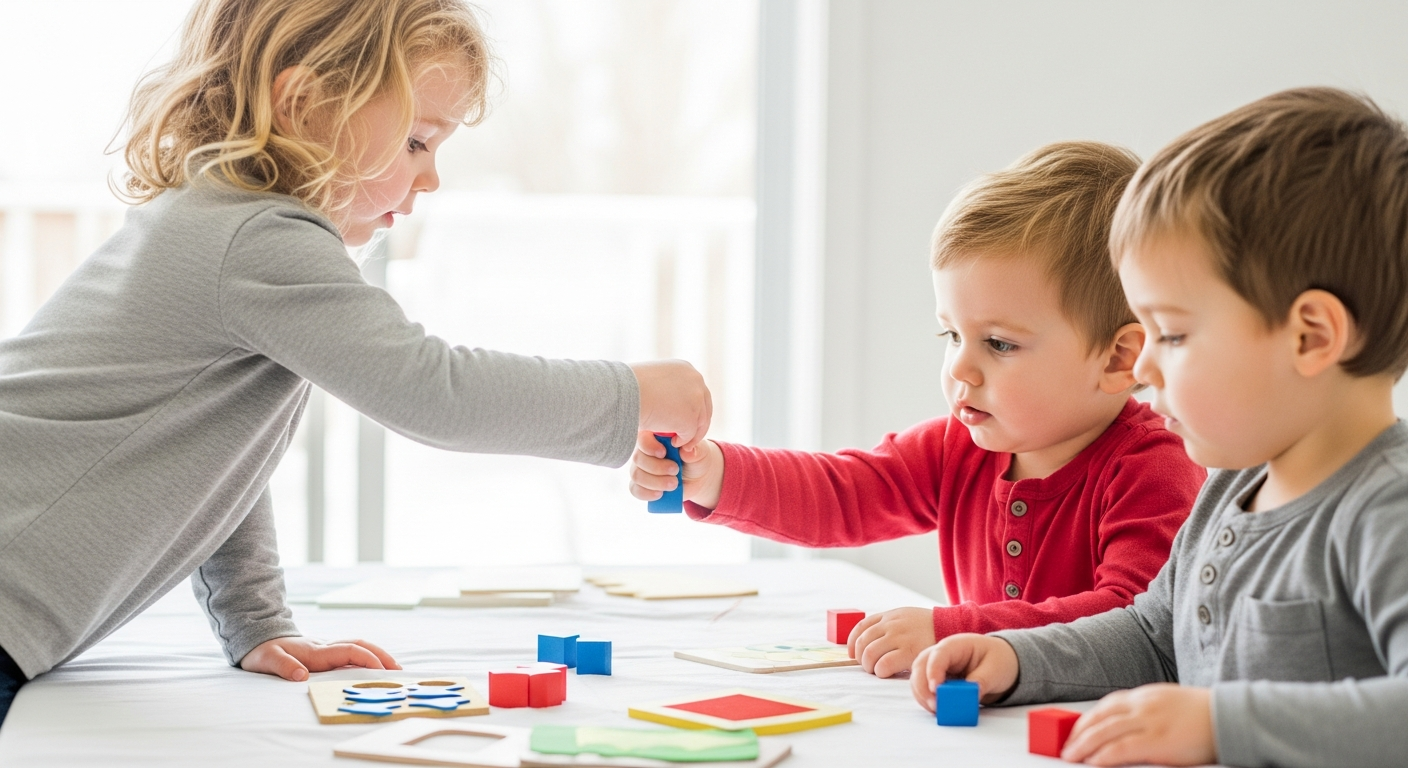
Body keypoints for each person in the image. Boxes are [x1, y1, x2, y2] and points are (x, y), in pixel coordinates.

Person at [0, 0, 711, 725]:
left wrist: (256, 621)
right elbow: (437, 394)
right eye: (415, 142)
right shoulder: (257, 238)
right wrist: (629, 395)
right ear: (304, 105)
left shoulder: (223, 220)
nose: (430, 178)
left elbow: (213, 458)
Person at [909, 88, 1408, 768]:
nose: (1142, 366)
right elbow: (1152, 636)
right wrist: (1019, 658)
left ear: (1310, 336)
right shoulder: (1231, 485)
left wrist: (1219, 725)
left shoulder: (1387, 509)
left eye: (1171, 333)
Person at [631, 141, 1205, 677]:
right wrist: (715, 473)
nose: (961, 369)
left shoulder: (1154, 467)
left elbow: (1129, 622)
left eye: (999, 344)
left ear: (1119, 359)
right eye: (951, 336)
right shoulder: (957, 446)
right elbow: (844, 493)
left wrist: (950, 629)